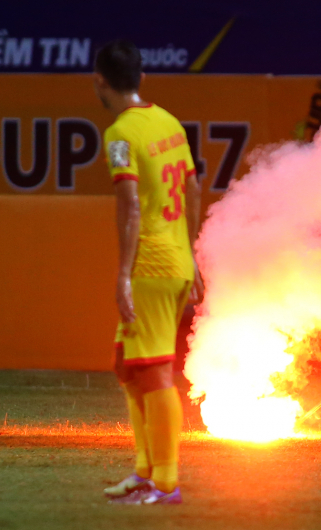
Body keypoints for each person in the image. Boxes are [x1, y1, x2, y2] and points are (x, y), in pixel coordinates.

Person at [94, 40, 203, 504]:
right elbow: (194, 188)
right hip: (175, 262)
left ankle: (165, 483)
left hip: (151, 267)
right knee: (129, 368)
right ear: (142, 78)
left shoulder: (120, 134)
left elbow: (130, 206)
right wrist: (193, 256)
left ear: (100, 82)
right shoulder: (169, 123)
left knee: (155, 373)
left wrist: (122, 275)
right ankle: (146, 472)